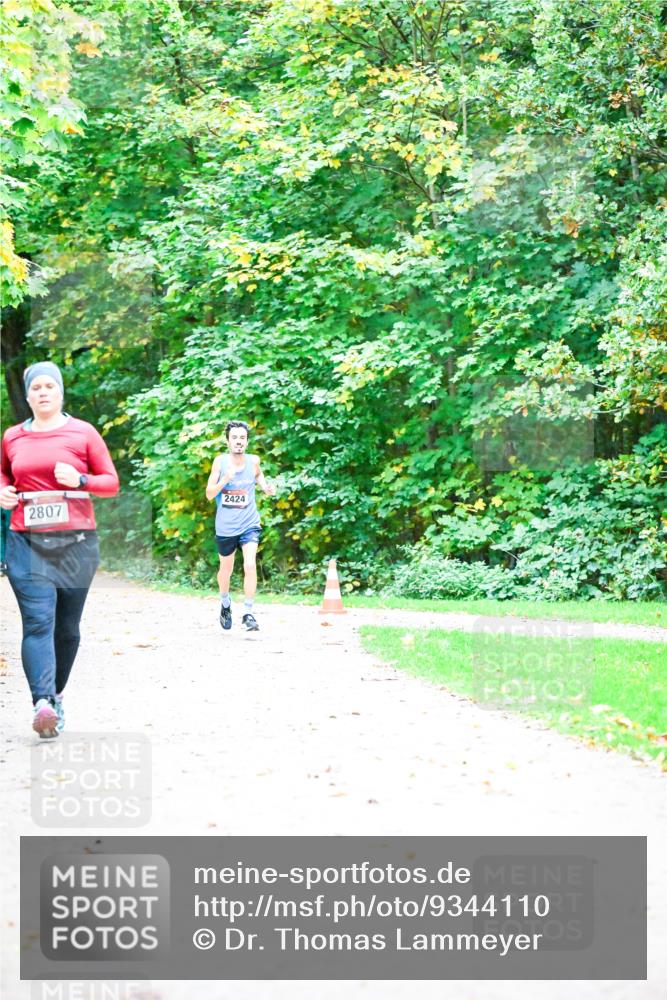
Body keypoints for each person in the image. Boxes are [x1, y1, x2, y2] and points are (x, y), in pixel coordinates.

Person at [0, 362, 120, 738]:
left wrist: (81, 479)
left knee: (67, 629)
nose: (43, 392)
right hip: (27, 541)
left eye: (50, 386)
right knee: (38, 622)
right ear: (28, 394)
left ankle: (56, 694)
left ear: (61, 391)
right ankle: (42, 703)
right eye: (36, 388)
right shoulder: (12, 437)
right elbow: (4, 474)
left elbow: (111, 483)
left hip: (76, 542)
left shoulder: (83, 433)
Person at [206, 420, 275, 632]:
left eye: (242, 438)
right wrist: (225, 479)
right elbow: (209, 495)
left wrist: (265, 487)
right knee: (225, 569)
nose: (238, 441)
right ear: (228, 441)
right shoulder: (220, 462)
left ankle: (248, 612)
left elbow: (258, 474)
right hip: (226, 527)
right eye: (234, 438)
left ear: (247, 441)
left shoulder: (254, 461)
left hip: (249, 523)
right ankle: (225, 603)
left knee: (250, 564)